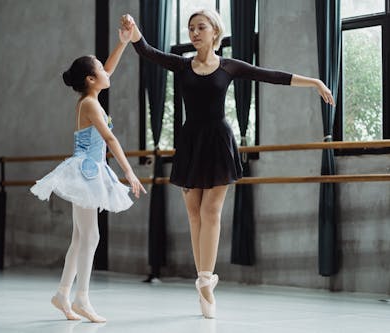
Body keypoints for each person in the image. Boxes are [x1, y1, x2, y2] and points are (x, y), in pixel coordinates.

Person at [121, 10, 334, 319]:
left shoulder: (229, 66)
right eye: (191, 28)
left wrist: (312, 81)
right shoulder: (182, 65)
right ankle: (203, 279)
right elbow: (147, 52)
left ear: (214, 31)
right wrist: (134, 32)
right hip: (190, 142)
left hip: (219, 142)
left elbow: (270, 74)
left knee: (211, 211)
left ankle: (206, 281)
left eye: (200, 27)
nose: (194, 32)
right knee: (194, 214)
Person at [30, 26, 146, 323]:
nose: (108, 73)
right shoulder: (91, 104)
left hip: (90, 171)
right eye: (100, 70)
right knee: (89, 235)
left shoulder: (90, 95)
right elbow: (110, 139)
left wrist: (121, 44)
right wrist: (129, 172)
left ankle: (63, 294)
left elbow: (107, 69)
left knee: (81, 237)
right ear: (91, 80)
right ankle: (81, 298)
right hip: (85, 172)